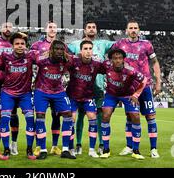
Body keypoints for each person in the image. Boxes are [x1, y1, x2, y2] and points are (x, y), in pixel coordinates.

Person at [111, 20, 162, 158]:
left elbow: (155, 62)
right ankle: (129, 146)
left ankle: (153, 149)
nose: (133, 30)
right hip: (128, 87)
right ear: (126, 30)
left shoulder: (146, 44)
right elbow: (111, 59)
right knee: (130, 117)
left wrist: (158, 81)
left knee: (150, 117)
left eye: (135, 28)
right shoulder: (119, 44)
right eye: (130, 28)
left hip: (145, 86)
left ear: (139, 30)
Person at [67, 21, 114, 155]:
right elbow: (63, 53)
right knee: (79, 117)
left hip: (97, 88)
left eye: (94, 27)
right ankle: (78, 144)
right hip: (78, 88)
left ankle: (99, 144)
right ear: (84, 30)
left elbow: (119, 46)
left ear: (97, 29)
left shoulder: (103, 43)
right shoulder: (75, 44)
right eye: (89, 27)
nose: (92, 29)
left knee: (98, 116)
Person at [100, 48, 147, 160]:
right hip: (111, 94)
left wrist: (136, 95)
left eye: (120, 58)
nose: (117, 61)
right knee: (105, 116)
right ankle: (106, 149)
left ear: (123, 59)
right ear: (111, 60)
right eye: (115, 58)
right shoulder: (106, 65)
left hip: (128, 95)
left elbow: (144, 80)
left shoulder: (130, 70)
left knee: (135, 117)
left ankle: (136, 150)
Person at [0, 32, 37, 160]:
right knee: (4, 119)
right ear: (12, 45)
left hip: (25, 94)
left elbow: (46, 59)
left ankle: (29, 149)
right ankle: (6, 149)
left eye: (22, 44)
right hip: (8, 93)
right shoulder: (5, 56)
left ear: (26, 45)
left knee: (30, 119)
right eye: (17, 44)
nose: (20, 46)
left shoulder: (31, 56)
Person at [34, 40, 75, 160]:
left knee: (68, 115)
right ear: (51, 49)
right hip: (41, 91)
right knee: (40, 117)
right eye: (56, 49)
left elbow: (75, 60)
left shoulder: (66, 61)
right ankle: (42, 150)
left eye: (61, 49)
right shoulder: (41, 60)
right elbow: (31, 55)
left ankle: (66, 149)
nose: (59, 51)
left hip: (58, 91)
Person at [67, 40, 106, 158]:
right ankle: (71, 148)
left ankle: (91, 150)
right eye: (85, 49)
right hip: (73, 96)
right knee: (71, 121)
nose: (88, 51)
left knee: (93, 118)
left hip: (88, 96)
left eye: (90, 48)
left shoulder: (97, 64)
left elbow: (109, 69)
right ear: (80, 51)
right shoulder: (73, 61)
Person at [0, 22, 20, 156]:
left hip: (12, 83)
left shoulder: (17, 42)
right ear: (0, 28)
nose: (7, 29)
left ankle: (14, 144)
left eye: (10, 27)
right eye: (5, 26)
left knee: (13, 113)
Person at [31, 21, 62, 156]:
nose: (52, 30)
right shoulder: (37, 45)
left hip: (56, 87)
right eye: (50, 27)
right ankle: (39, 145)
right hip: (41, 86)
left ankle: (55, 146)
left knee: (56, 117)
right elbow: (30, 62)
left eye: (54, 28)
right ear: (45, 29)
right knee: (40, 117)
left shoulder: (62, 46)